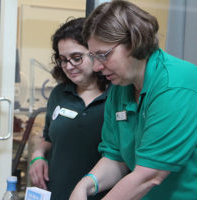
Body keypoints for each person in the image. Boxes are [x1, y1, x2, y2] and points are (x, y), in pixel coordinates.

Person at [69, 1, 197, 200]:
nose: (96, 67)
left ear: (135, 42)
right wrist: (86, 184)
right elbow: (116, 157)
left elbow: (149, 175)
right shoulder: (121, 88)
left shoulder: (175, 84)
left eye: (103, 55)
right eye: (93, 56)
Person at [29, 17, 110, 200]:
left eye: (76, 58)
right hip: (58, 191)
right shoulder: (60, 93)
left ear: (96, 53)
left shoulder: (116, 95)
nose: (68, 66)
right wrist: (38, 154)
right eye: (63, 60)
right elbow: (49, 138)